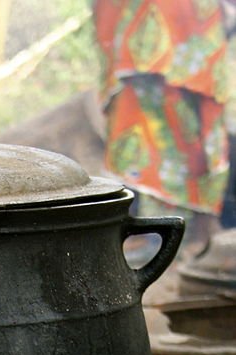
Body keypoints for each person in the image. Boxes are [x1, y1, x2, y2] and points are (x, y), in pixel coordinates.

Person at [94, 0, 231, 249]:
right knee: (149, 145)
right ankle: (150, 238)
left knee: (181, 141)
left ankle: (187, 237)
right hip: (160, 45)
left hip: (157, 47)